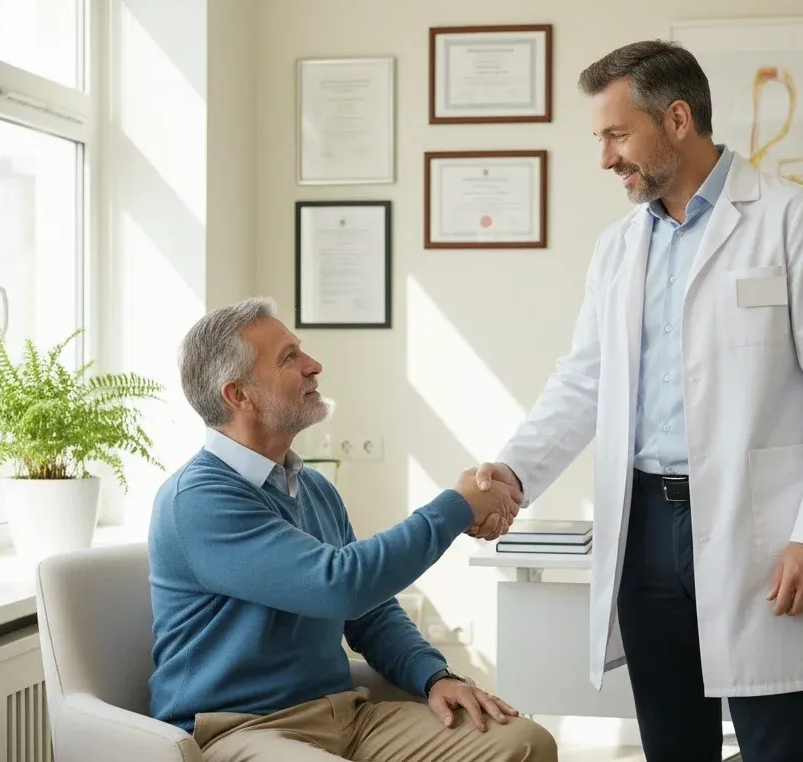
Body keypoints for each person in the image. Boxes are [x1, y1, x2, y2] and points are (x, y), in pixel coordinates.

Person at [472, 40, 803, 761]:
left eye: (616, 134)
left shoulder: (794, 220)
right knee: (672, 740)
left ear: (679, 119)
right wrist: (515, 471)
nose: (605, 158)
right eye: (599, 138)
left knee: (778, 741)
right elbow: (584, 378)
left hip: (759, 529)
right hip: (645, 530)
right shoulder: (619, 247)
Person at [147, 297, 558, 762]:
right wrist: (459, 506)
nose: (313, 365)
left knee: (524, 744)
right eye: (289, 357)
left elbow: (369, 611)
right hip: (241, 729)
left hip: (346, 715)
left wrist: (435, 675)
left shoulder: (314, 488)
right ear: (238, 394)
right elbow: (341, 584)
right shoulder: (198, 499)